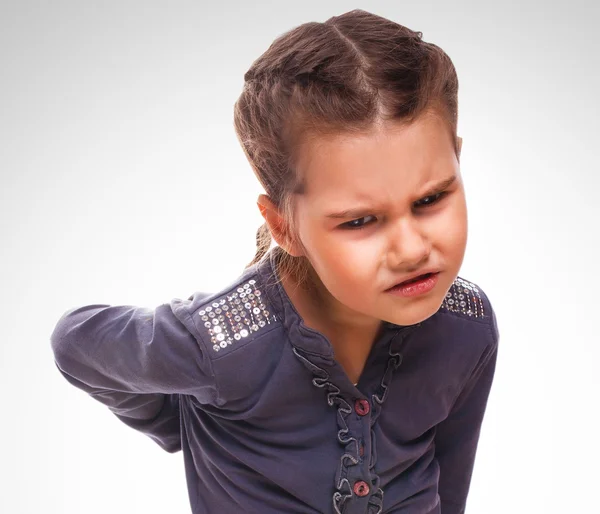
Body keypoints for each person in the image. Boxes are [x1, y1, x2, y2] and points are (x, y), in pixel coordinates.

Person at [50, 9, 499, 514]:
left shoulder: (469, 325)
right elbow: (76, 342)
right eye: (359, 222)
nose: (413, 249)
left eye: (431, 199)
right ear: (284, 225)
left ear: (457, 162)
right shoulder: (219, 345)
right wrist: (182, 423)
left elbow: (450, 482)